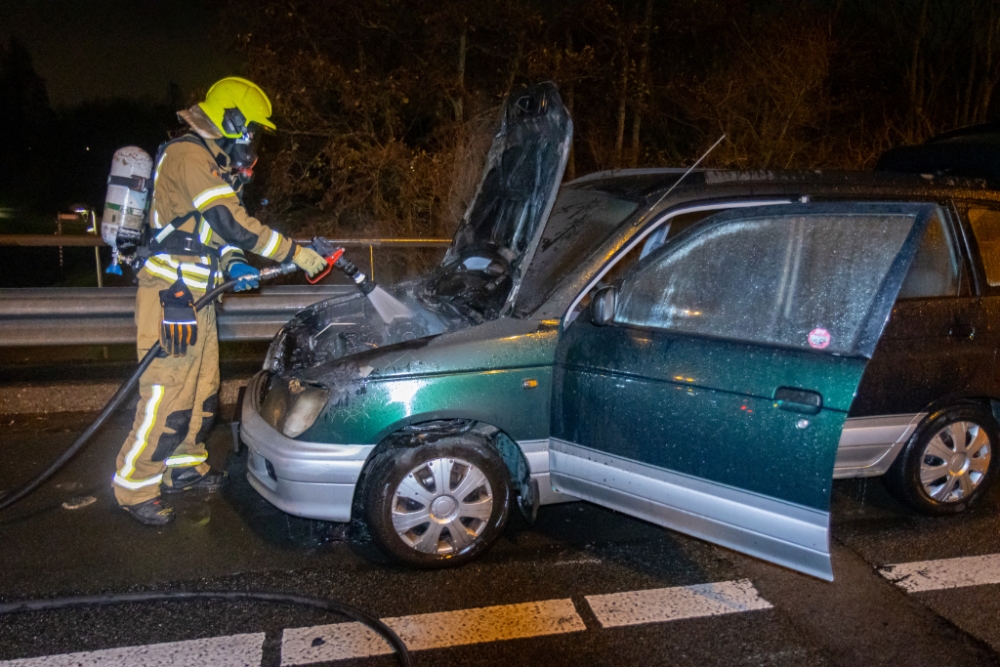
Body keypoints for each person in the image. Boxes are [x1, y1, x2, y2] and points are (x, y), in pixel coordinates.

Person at [112, 77, 327, 525]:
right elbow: (231, 221)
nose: (255, 141)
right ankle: (135, 486)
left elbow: (213, 236)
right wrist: (294, 252)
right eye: (253, 130)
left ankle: (184, 466)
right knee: (167, 391)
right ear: (232, 121)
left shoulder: (212, 165)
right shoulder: (188, 156)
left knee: (203, 386)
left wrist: (232, 264)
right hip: (171, 295)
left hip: (198, 297)